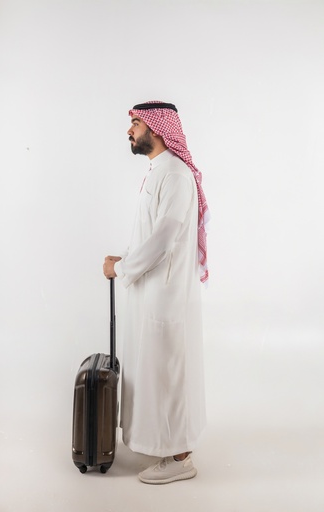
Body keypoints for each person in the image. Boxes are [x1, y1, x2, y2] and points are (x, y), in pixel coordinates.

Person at [103, 101, 209, 484]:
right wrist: (126, 255)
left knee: (169, 373)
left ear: (158, 129)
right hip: (152, 295)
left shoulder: (176, 176)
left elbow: (164, 240)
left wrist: (122, 268)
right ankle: (165, 447)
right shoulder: (158, 172)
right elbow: (149, 234)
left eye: (135, 123)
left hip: (165, 298)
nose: (129, 131)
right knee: (156, 371)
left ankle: (181, 458)